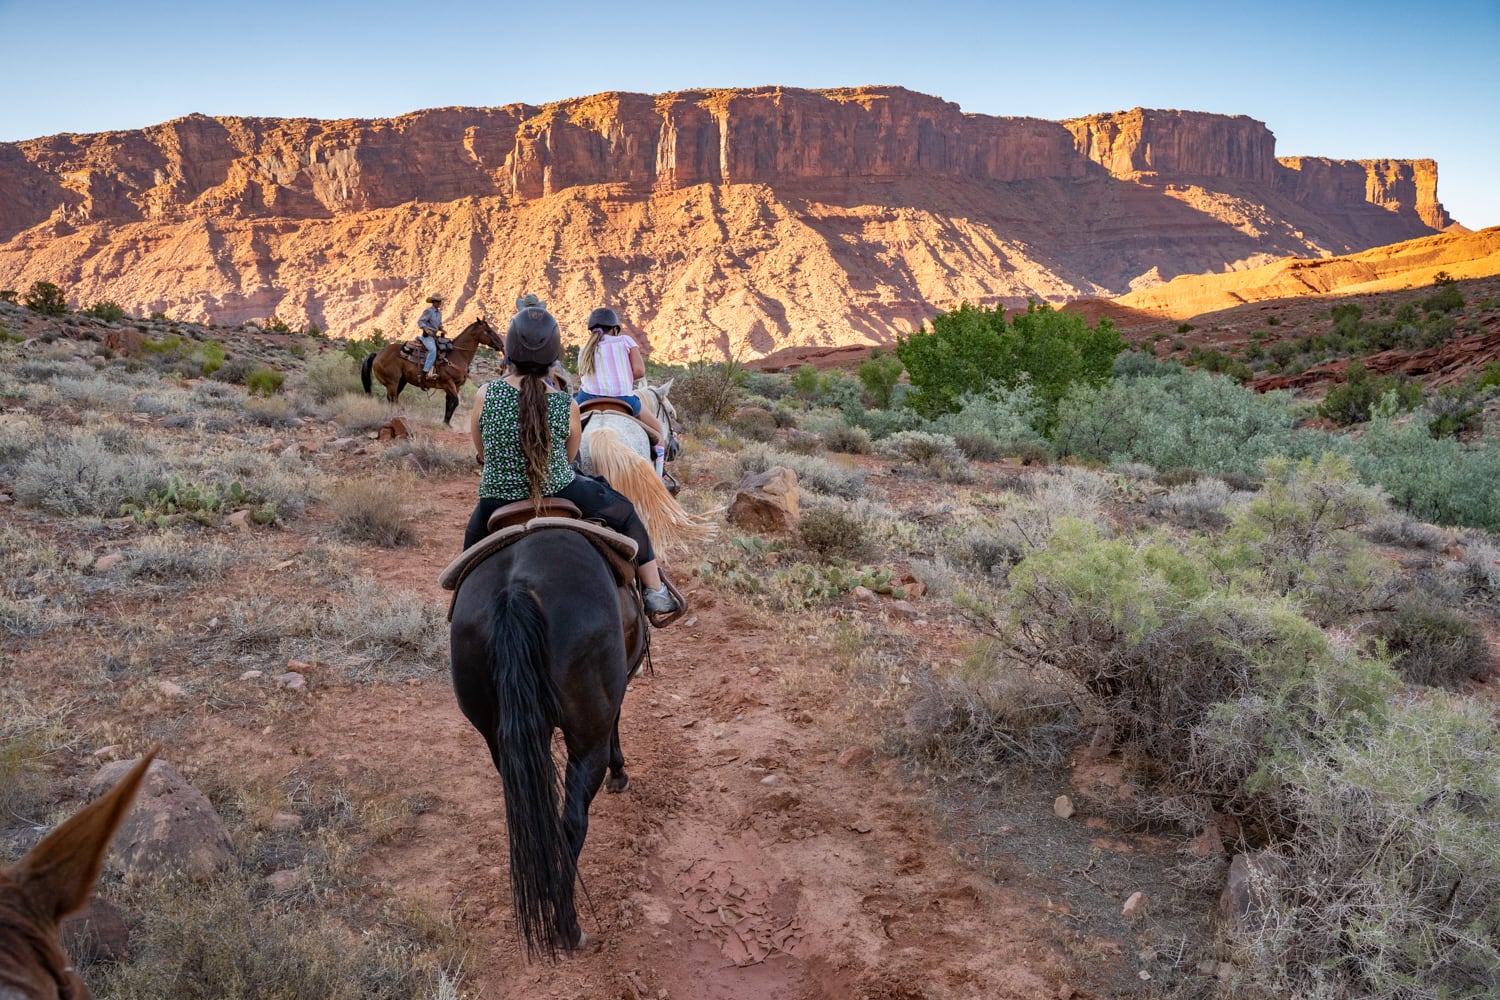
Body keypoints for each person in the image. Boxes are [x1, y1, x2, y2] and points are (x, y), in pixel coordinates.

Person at [466, 305, 681, 616]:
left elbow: (483, 452)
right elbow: (569, 457)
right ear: (553, 359)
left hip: (495, 498)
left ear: (509, 355)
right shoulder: (564, 404)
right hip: (559, 490)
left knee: (467, 564)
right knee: (626, 514)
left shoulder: (485, 394)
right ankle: (655, 591)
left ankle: (465, 606)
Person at [574, 307, 666, 446]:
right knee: (659, 432)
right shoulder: (626, 341)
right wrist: (621, 379)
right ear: (614, 329)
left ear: (591, 330)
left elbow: (583, 376)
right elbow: (640, 371)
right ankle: (659, 467)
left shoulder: (584, 349)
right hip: (623, 398)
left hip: (587, 397)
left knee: (561, 424)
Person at [417, 293, 446, 375]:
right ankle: (425, 371)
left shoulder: (439, 313)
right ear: (433, 302)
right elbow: (421, 321)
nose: (439, 303)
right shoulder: (428, 311)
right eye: (438, 301)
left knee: (445, 347)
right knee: (433, 350)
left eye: (440, 301)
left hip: (435, 336)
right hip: (428, 336)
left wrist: (442, 329)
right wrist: (426, 329)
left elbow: (439, 324)